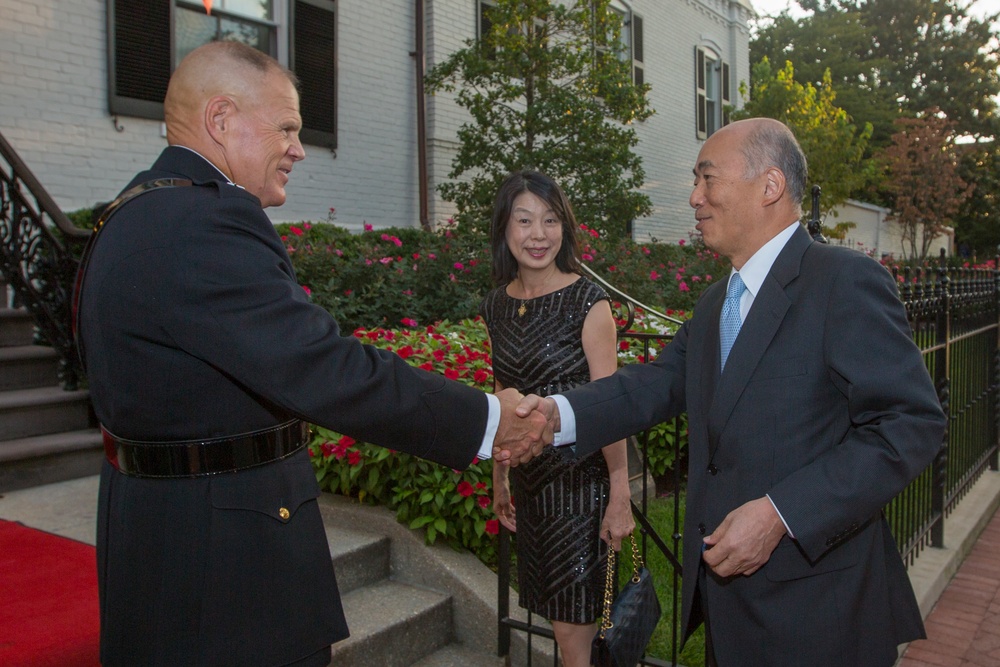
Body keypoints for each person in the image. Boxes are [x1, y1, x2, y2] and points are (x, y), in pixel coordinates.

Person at [75, 41, 548, 667]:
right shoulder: (203, 222)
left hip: (164, 541)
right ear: (221, 119)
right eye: (288, 129)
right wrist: (487, 422)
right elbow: (324, 367)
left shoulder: (132, 211)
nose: (299, 149)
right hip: (227, 572)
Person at [512, 118, 947, 666]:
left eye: (707, 178)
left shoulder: (842, 281)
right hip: (727, 606)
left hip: (820, 612)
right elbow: (658, 383)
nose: (695, 197)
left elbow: (910, 424)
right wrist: (558, 414)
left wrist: (780, 514)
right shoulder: (718, 300)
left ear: (769, 186)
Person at [479, 171, 635, 667]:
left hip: (579, 491)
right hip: (531, 487)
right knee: (557, 625)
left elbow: (612, 409)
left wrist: (620, 495)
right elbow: (504, 397)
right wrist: (500, 475)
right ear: (505, 228)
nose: (538, 234)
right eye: (524, 220)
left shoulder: (588, 304)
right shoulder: (497, 305)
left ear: (564, 228)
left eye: (549, 220)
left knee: (574, 640)